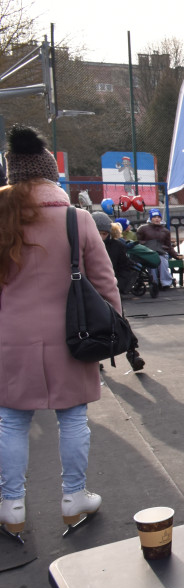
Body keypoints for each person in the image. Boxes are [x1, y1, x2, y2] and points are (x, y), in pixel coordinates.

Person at [0, 124, 113, 535]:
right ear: (50, 175)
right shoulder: (76, 219)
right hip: (73, 334)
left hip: (8, 337)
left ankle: (11, 504)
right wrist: (112, 331)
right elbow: (104, 282)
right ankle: (74, 496)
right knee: (73, 419)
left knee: (11, 421)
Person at [136, 208, 180, 292]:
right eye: (154, 217)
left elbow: (168, 246)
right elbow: (138, 241)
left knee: (163, 263)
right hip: (148, 253)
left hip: (161, 252)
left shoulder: (165, 231)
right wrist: (148, 243)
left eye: (158, 217)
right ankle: (154, 283)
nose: (157, 219)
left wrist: (176, 255)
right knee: (152, 265)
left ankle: (166, 283)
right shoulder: (142, 229)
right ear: (150, 218)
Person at [93, 211, 137, 294]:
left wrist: (118, 285)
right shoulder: (84, 246)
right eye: (98, 233)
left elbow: (124, 267)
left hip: (111, 289)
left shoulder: (117, 246)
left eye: (104, 234)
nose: (101, 237)